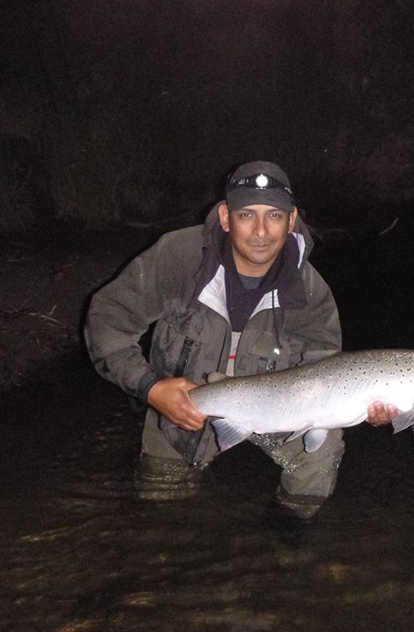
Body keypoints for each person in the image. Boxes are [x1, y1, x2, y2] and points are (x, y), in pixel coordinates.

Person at [84, 160, 393, 519]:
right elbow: (107, 319)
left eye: (274, 216)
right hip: (181, 407)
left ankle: (288, 534)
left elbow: (327, 371)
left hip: (276, 411)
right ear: (226, 217)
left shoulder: (311, 291)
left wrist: (363, 405)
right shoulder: (179, 256)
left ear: (291, 220)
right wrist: (151, 388)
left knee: (322, 451)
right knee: (158, 512)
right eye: (247, 214)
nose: (261, 231)